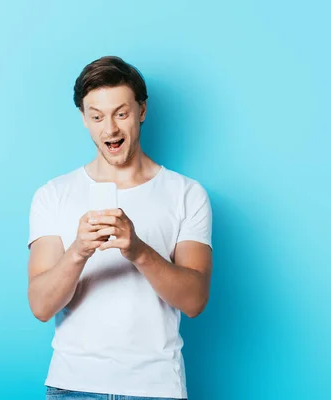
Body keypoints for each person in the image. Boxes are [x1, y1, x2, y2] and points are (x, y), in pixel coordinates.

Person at [27, 56, 212, 400]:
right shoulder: (53, 195)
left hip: (156, 388)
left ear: (141, 111)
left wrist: (138, 251)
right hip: (73, 387)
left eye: (121, 114)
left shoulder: (187, 194)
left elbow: (195, 300)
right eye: (96, 116)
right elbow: (40, 305)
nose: (109, 129)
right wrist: (79, 251)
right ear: (83, 118)